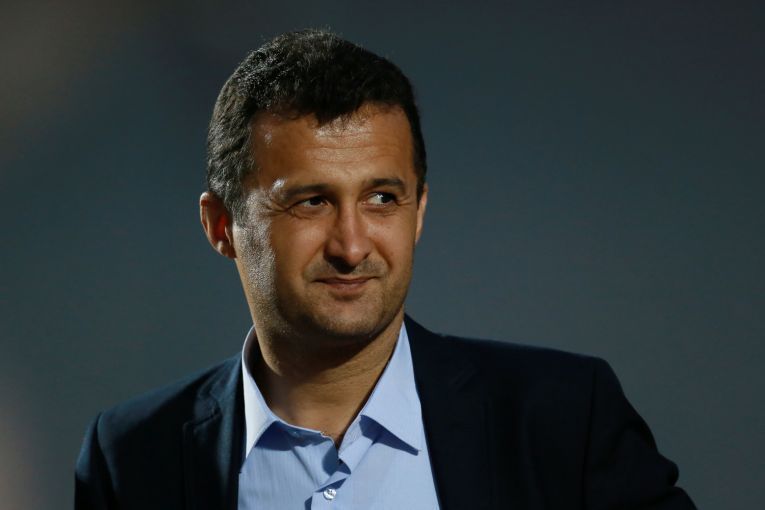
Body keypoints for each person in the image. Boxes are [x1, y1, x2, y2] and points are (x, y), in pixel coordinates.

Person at [75, 30, 696, 510]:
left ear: (418, 211)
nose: (352, 246)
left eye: (381, 198)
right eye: (311, 202)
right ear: (221, 226)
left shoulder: (564, 422)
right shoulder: (132, 458)